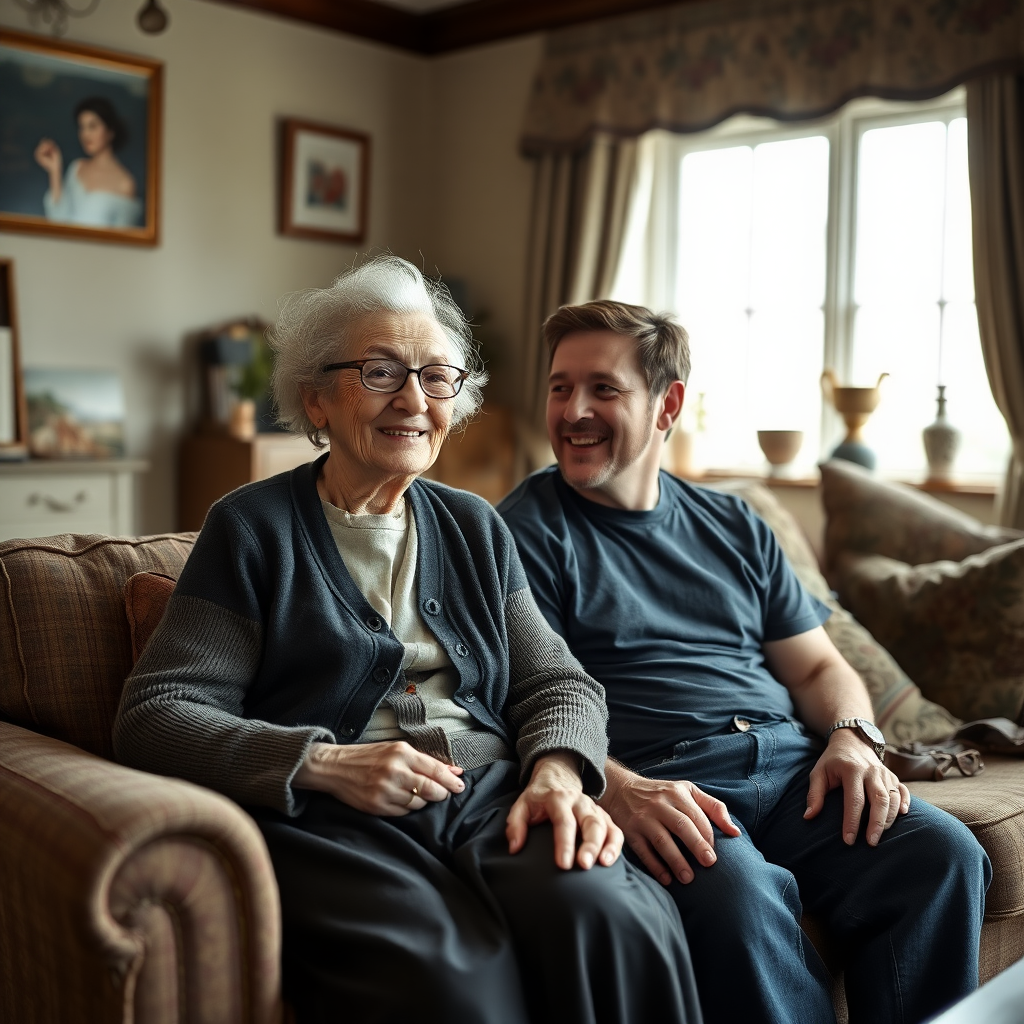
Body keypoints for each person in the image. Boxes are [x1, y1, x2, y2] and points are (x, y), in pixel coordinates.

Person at [113, 260, 701, 1024]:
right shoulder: (252, 528)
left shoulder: (473, 525)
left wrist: (558, 776)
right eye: (381, 371)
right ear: (315, 397)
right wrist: (323, 764)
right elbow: (158, 711)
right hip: (331, 823)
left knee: (613, 918)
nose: (414, 400)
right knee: (459, 988)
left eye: (436, 376)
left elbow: (557, 683)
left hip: (492, 799)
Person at [497, 299, 991, 1024]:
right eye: (559, 387)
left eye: (603, 388)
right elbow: (521, 697)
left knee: (941, 855)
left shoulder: (734, 524)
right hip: (670, 785)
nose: (573, 410)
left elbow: (820, 669)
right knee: (740, 900)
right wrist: (617, 789)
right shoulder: (523, 534)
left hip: (794, 770)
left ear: (667, 405)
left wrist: (854, 738)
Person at [34, 97, 142, 228]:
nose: (85, 134)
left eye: (92, 126)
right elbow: (58, 220)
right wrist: (55, 170)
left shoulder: (125, 183)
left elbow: (124, 241)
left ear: (110, 131)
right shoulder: (77, 167)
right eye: (82, 127)